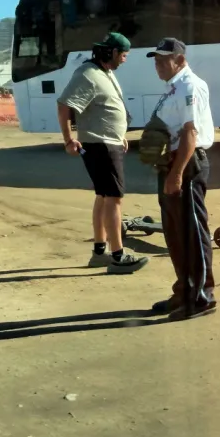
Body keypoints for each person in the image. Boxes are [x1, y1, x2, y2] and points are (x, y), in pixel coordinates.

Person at [57, 32, 148, 274]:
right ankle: (118, 256)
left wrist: (121, 137)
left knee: (104, 196)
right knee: (114, 199)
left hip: (109, 142)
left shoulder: (104, 73)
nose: (125, 60)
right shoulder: (87, 74)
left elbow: (107, 109)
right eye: (124, 55)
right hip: (101, 145)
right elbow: (65, 105)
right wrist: (68, 140)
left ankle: (100, 253)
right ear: (112, 53)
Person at [146, 38, 216, 320]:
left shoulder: (190, 86)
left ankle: (202, 297)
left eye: (164, 59)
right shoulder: (173, 87)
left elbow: (190, 133)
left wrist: (176, 174)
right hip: (171, 164)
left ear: (181, 60)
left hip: (186, 165)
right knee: (175, 234)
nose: (158, 65)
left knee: (193, 234)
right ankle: (183, 291)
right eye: (156, 60)